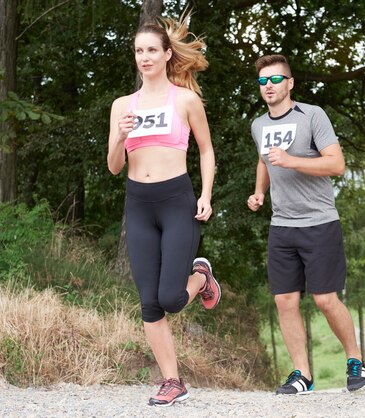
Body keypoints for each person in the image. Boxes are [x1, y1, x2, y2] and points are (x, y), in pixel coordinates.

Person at [107, 12, 221, 407]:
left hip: (176, 201)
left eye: (152, 50)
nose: (145, 57)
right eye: (139, 51)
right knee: (149, 303)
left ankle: (201, 278)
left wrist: (205, 194)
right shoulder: (122, 105)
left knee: (171, 298)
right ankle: (173, 381)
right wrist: (119, 138)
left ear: (167, 54)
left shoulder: (186, 99)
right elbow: (114, 167)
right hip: (138, 204)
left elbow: (206, 150)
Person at [247, 54, 365, 394]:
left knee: (325, 299)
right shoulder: (259, 125)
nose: (268, 86)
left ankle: (354, 359)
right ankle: (302, 374)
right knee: (284, 301)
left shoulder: (312, 115)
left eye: (275, 80)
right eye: (262, 81)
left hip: (319, 221)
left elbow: (337, 164)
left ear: (290, 83)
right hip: (281, 225)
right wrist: (259, 191)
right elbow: (263, 159)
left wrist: (292, 161)